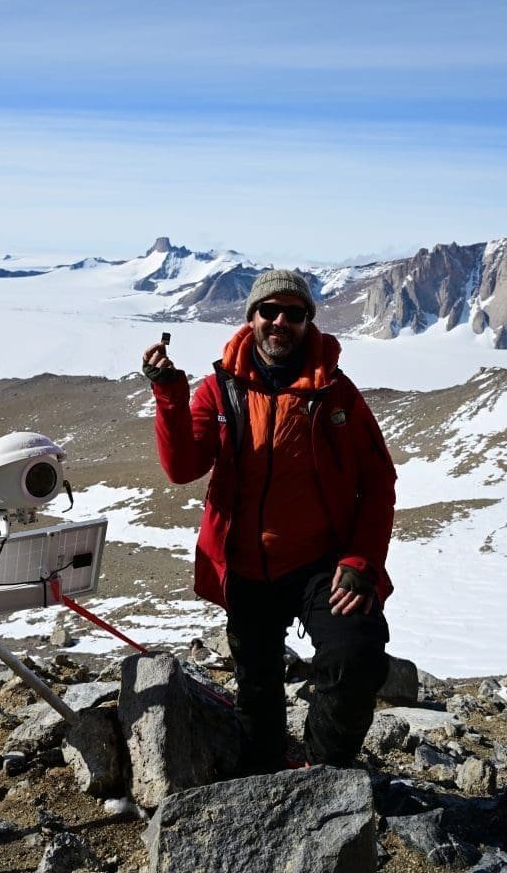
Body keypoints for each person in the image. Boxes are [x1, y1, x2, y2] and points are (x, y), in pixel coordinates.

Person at [142, 269, 396, 773]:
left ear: (307, 322)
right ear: (252, 317)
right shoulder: (221, 389)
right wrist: (170, 393)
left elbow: (378, 481)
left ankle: (324, 772)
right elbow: (183, 467)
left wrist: (361, 560)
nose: (281, 322)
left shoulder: (335, 392)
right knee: (257, 695)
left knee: (356, 653)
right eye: (270, 311)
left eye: (294, 314)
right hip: (246, 566)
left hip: (320, 563)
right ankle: (265, 779)